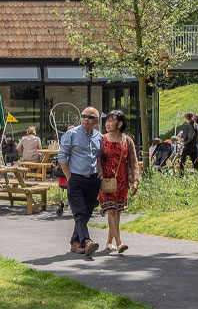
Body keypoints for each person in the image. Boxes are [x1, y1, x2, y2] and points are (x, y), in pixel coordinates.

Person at [58, 106, 103, 258]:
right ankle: (87, 241)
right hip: (75, 178)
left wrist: (101, 172)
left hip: (93, 180)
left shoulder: (99, 136)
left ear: (96, 120)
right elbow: (62, 156)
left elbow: (99, 156)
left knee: (87, 213)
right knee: (79, 212)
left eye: (89, 117)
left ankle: (74, 242)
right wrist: (69, 177)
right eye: (83, 116)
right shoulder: (71, 134)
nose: (85, 119)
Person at [97, 109, 140, 254]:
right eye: (107, 120)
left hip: (122, 182)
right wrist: (100, 173)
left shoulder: (127, 140)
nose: (107, 123)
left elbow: (133, 162)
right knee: (111, 211)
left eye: (111, 120)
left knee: (117, 213)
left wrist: (135, 180)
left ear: (120, 123)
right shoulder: (101, 139)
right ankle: (119, 243)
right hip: (106, 181)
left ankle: (109, 242)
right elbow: (97, 159)